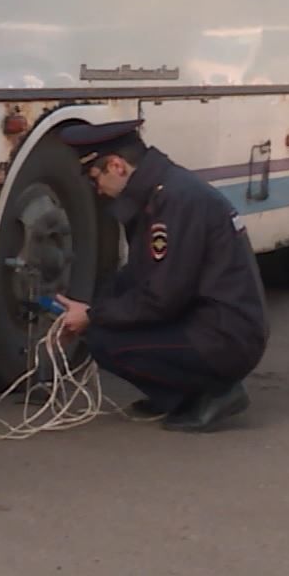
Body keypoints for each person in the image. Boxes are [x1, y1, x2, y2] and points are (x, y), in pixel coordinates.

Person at [51, 119, 270, 433]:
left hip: (225, 337)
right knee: (103, 321)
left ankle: (217, 391)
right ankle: (177, 393)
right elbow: (140, 275)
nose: (95, 188)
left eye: (93, 176)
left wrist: (94, 316)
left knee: (104, 339)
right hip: (212, 322)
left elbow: (163, 297)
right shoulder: (160, 193)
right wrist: (90, 307)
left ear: (116, 166)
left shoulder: (175, 201)